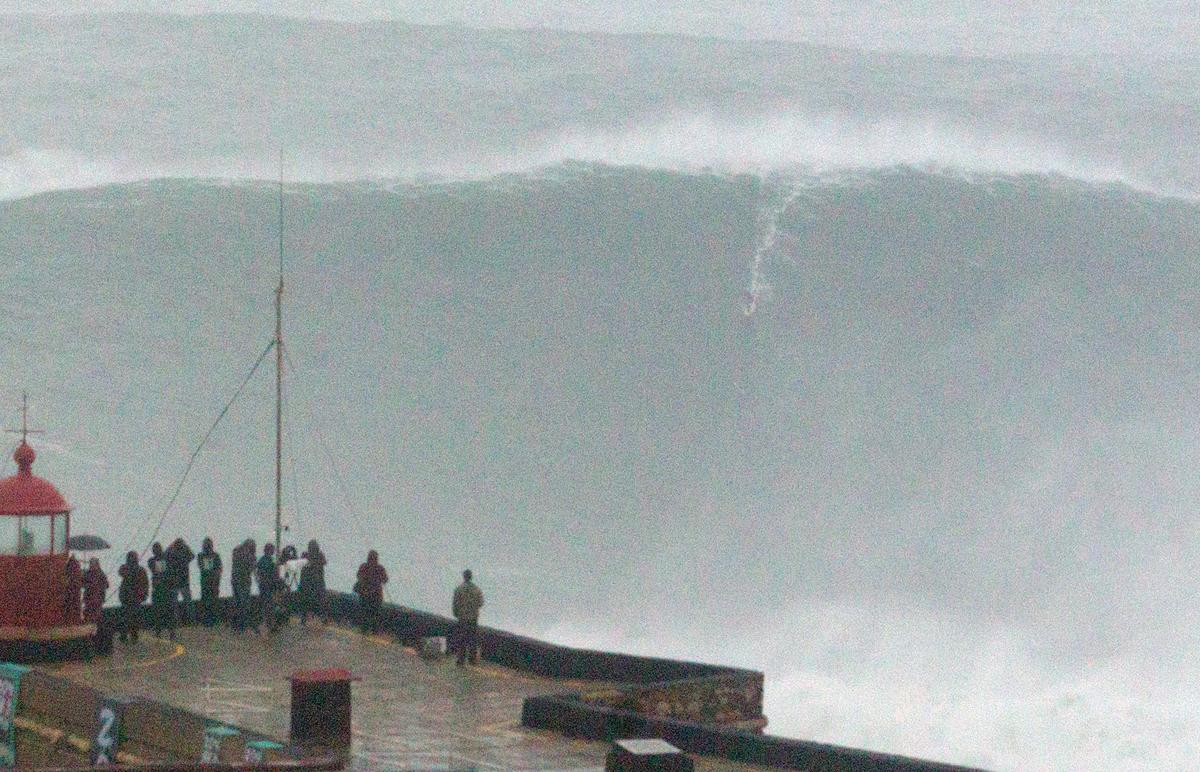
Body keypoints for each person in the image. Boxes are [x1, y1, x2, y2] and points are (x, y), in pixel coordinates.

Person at [452, 569, 484, 667]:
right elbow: (481, 603)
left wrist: (456, 613)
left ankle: (460, 660)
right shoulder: (477, 589)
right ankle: (472, 660)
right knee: (472, 639)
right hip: (473, 618)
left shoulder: (458, 589)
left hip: (462, 617)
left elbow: (455, 603)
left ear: (464, 577)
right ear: (471, 577)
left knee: (461, 639)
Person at [117, 550, 148, 644]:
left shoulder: (140, 570)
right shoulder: (127, 568)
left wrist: (144, 594)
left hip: (134, 597)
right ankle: (125, 635)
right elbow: (121, 572)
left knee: (132, 617)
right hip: (127, 597)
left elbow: (145, 583)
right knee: (126, 617)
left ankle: (132, 635)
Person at [354, 551, 388, 635]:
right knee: (374, 614)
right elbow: (385, 580)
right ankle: (373, 631)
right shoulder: (380, 568)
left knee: (365, 613)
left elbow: (358, 576)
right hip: (375, 596)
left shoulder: (364, 566)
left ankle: (365, 630)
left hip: (366, 594)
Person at [147, 542, 175, 640]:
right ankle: (160, 631)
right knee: (159, 611)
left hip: (165, 589)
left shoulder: (155, 560)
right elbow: (160, 570)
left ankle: (169, 631)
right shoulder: (153, 561)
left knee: (166, 611)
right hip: (160, 589)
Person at [165, 537, 195, 623]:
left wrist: (171, 547)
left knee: (184, 602)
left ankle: (183, 620)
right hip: (178, 581)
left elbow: (192, 556)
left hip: (180, 581)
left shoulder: (175, 553)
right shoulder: (180, 553)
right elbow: (192, 556)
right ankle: (183, 620)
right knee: (178, 602)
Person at [298, 540, 327, 626]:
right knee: (307, 600)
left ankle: (321, 616)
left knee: (319, 600)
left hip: (315, 582)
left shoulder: (318, 556)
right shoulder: (307, 555)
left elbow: (323, 563)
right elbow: (303, 565)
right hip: (309, 582)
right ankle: (304, 618)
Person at [230, 539, 255, 632]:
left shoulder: (236, 551)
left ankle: (235, 625)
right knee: (244, 604)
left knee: (237, 603)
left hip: (235, 581)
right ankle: (242, 625)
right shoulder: (249, 555)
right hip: (244, 582)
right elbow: (251, 568)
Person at [255, 543, 281, 634]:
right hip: (268, 587)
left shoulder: (262, 560)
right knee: (269, 606)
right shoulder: (268, 561)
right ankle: (269, 625)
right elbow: (272, 574)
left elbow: (258, 573)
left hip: (263, 586)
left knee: (266, 606)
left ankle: (268, 624)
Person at [197, 537, 223, 626]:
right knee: (206, 602)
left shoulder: (215, 556)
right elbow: (203, 567)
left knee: (214, 602)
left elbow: (219, 568)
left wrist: (216, 577)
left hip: (214, 583)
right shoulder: (201, 556)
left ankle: (214, 619)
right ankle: (207, 620)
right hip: (206, 583)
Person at [82, 558, 108, 624]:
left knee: (97, 614)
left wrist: (98, 586)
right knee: (88, 613)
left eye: (93, 564)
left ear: (97, 565)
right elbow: (82, 584)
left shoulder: (101, 574)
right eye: (91, 564)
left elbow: (106, 585)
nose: (92, 566)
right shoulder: (87, 573)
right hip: (89, 598)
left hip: (98, 598)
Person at [64, 554, 83, 624]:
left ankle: (69, 619)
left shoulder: (70, 565)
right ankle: (76, 618)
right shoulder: (77, 566)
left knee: (70, 603)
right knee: (75, 603)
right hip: (75, 588)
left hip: (71, 588)